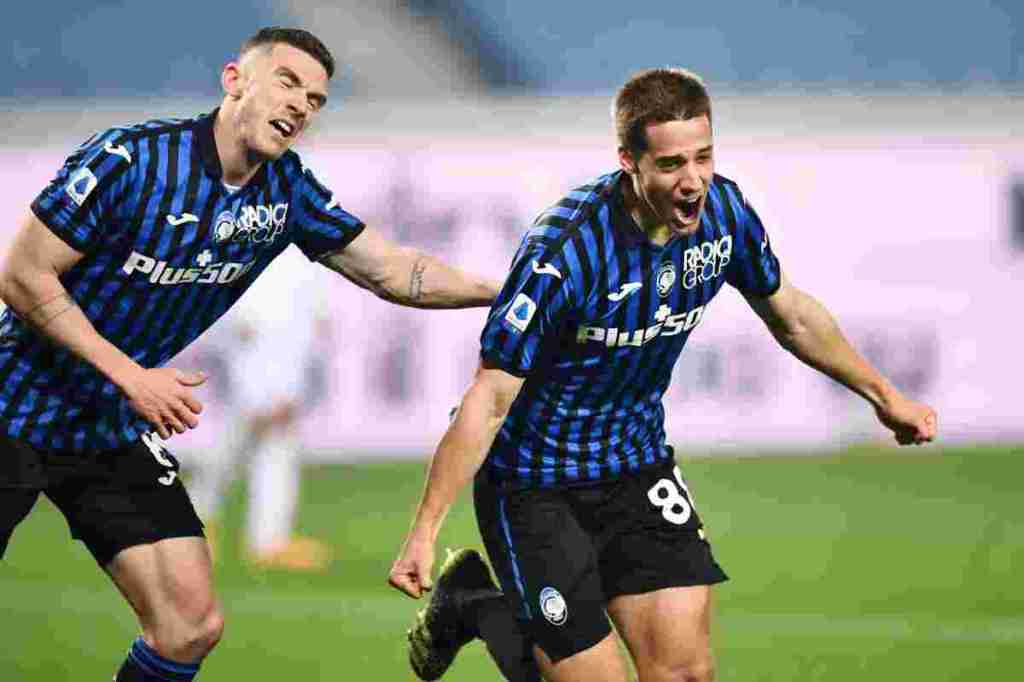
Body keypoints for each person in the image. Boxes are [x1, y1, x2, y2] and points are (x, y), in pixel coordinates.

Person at [388, 67, 938, 682]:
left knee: (685, 673)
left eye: (703, 157)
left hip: (635, 463)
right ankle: (474, 603)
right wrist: (424, 529)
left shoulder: (725, 213)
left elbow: (793, 316)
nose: (693, 180)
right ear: (629, 161)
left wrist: (884, 396)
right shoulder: (565, 253)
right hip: (535, 482)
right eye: (672, 164)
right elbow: (489, 399)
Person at [0, 27, 497, 682]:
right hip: (16, 403)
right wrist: (132, 377)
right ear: (234, 79)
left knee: (189, 627)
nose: (300, 105)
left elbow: (393, 271)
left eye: (315, 100)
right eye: (287, 82)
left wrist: (510, 291)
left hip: (105, 426)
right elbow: (22, 273)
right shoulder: (132, 160)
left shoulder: (286, 190)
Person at [187, 248, 333, 571]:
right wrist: (259, 390)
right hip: (254, 369)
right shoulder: (252, 243)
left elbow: (312, 319)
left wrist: (292, 386)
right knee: (233, 445)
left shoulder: (308, 252)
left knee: (273, 447)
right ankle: (191, 526)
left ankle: (268, 540)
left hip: (288, 367)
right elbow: (241, 325)